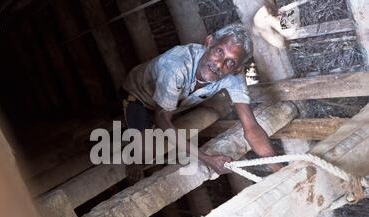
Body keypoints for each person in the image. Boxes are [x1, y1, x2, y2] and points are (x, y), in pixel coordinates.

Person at [119, 23, 282, 182]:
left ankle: (141, 131)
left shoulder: (233, 77)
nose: (219, 64)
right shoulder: (176, 66)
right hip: (139, 97)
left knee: (161, 137)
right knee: (150, 150)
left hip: (170, 105)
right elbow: (163, 119)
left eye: (230, 62)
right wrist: (206, 159)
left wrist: (279, 170)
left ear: (237, 69)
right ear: (209, 42)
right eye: (219, 51)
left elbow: (251, 127)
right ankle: (134, 156)